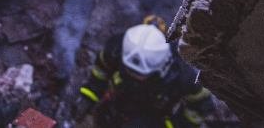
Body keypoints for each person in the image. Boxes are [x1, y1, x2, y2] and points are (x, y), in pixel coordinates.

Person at [78, 17, 215, 128]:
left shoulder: (182, 73)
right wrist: (89, 95)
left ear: (161, 67)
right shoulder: (117, 48)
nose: (133, 76)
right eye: (129, 70)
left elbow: (202, 106)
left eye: (139, 74)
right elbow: (101, 70)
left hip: (154, 113)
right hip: (119, 100)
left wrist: (171, 125)